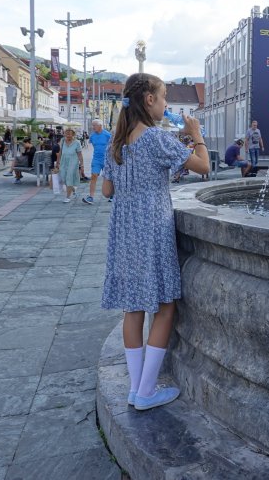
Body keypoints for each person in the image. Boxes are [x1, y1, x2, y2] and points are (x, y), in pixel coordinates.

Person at [100, 72, 209, 411]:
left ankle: (137, 387)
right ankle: (146, 392)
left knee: (132, 308)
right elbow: (204, 167)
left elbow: (107, 190)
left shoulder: (118, 144)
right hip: (152, 229)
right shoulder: (156, 139)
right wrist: (196, 135)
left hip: (124, 231)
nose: (165, 105)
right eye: (163, 99)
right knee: (164, 307)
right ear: (149, 100)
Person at [83, 119, 111, 205]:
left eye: (94, 125)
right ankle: (91, 197)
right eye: (92, 125)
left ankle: (112, 195)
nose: (93, 127)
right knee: (94, 176)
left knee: (108, 178)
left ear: (100, 126)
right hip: (96, 159)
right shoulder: (92, 136)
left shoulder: (108, 135)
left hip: (107, 159)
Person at [58, 128, 83, 203]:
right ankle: (73, 189)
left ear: (73, 135)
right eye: (66, 134)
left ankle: (68, 197)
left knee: (69, 177)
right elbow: (60, 151)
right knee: (63, 177)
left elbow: (79, 154)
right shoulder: (62, 141)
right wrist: (57, 162)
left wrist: (82, 165)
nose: (68, 136)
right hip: (63, 161)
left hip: (73, 161)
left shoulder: (77, 142)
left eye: (70, 134)